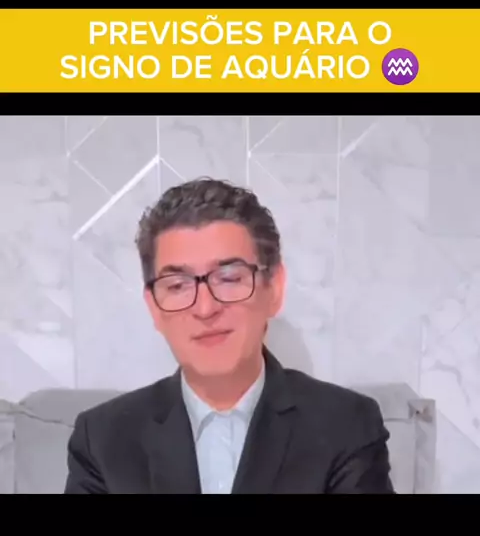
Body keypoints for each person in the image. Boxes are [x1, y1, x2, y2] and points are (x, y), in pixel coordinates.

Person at [65, 177, 395, 494]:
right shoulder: (102, 440)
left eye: (229, 278)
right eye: (178, 285)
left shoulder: (346, 426)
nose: (205, 308)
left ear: (274, 289)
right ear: (153, 307)